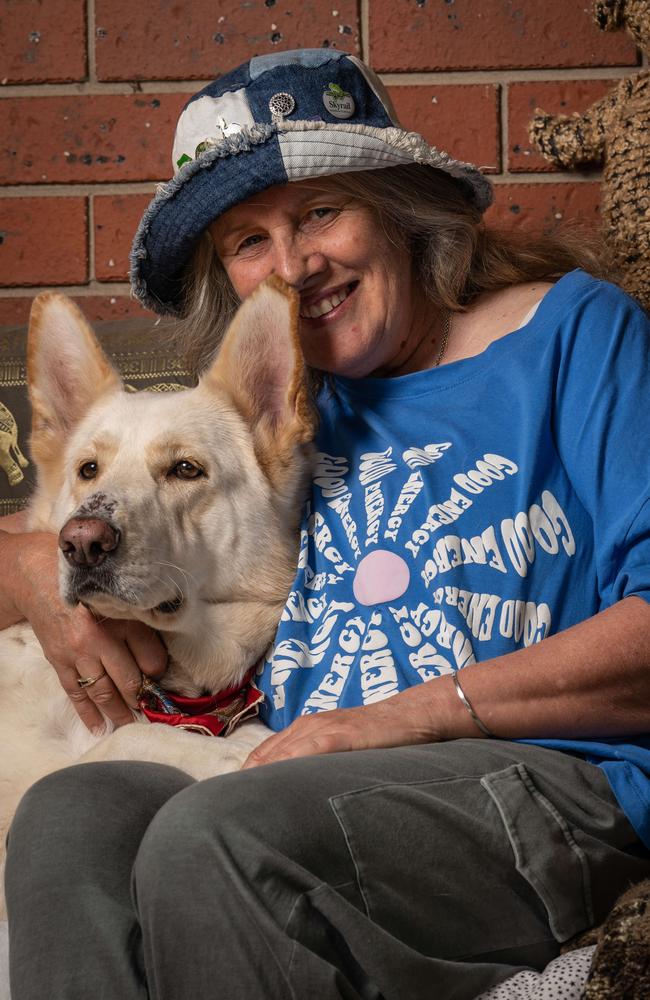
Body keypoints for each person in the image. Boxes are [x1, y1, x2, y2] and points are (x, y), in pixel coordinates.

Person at [4, 48, 650, 1000]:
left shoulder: (570, 336)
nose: (295, 266)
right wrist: (34, 574)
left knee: (215, 832)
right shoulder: (278, 414)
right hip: (300, 780)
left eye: (320, 213)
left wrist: (393, 720)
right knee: (71, 816)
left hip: (547, 782)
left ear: (397, 206)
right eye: (248, 242)